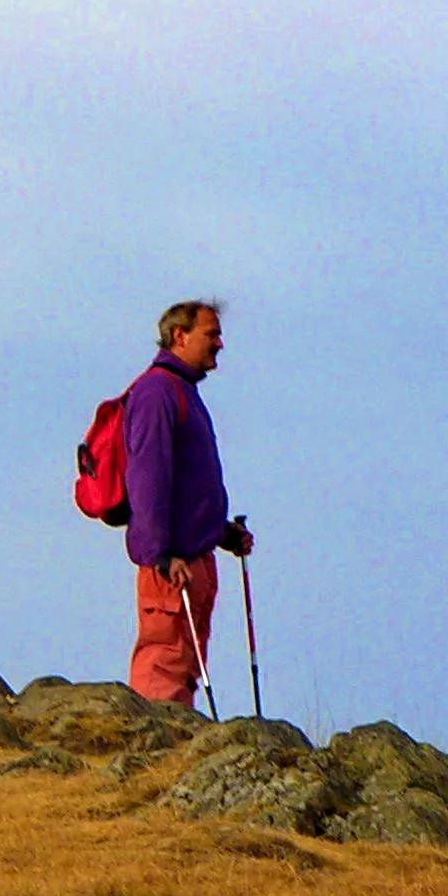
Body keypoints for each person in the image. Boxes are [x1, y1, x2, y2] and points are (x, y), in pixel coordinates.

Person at [120, 299, 254, 707]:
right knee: (164, 662)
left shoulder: (181, 392)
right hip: (172, 565)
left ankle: (170, 752)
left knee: (182, 665)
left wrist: (221, 533)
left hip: (190, 558)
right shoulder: (158, 392)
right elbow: (148, 477)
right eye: (211, 334)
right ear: (180, 336)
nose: (220, 344)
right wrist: (160, 554)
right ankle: (152, 756)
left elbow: (182, 483)